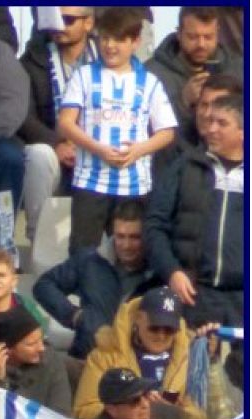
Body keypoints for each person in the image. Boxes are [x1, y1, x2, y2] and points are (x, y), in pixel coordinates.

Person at [56, 9, 179, 252]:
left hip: (134, 185)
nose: (110, 46)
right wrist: (98, 149)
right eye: (105, 38)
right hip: (90, 183)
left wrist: (139, 150)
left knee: (132, 253)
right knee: (82, 253)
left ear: (135, 42)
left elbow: (167, 131)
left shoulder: (149, 82)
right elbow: (66, 122)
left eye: (119, 39)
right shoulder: (84, 75)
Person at [147, 92, 244, 333]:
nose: (211, 129)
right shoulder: (185, 166)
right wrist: (172, 271)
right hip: (193, 295)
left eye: (222, 123)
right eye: (210, 121)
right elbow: (155, 224)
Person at [15, 9, 97, 256]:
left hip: (98, 152)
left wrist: (90, 147)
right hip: (54, 151)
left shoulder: (107, 59)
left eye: (69, 20)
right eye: (57, 18)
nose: (61, 25)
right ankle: (38, 241)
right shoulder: (31, 60)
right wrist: (57, 143)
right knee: (38, 155)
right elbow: (23, 116)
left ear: (88, 22)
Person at [34, 198, 155, 358]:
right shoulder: (89, 261)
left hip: (139, 362)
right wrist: (75, 316)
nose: (126, 245)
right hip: (87, 358)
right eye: (120, 236)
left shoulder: (159, 272)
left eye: (134, 237)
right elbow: (44, 285)